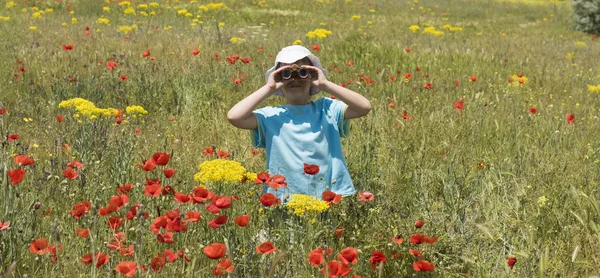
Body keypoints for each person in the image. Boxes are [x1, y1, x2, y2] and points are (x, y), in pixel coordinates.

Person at [227, 45, 371, 202]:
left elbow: (364, 107)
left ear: (312, 76)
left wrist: (324, 84)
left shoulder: (327, 109)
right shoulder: (270, 116)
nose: (294, 78)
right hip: (284, 197)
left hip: (327, 196)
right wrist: (269, 87)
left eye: (303, 72)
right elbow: (235, 117)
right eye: (286, 74)